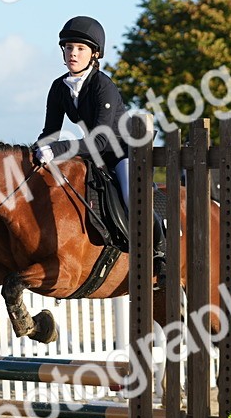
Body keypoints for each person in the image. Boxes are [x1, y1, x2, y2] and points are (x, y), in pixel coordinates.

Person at [33, 16, 165, 274]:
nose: (73, 53)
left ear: (94, 54)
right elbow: (50, 133)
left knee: (131, 197)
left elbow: (103, 139)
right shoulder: (59, 87)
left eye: (81, 48)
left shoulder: (102, 85)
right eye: (69, 47)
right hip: (93, 156)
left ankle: (160, 251)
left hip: (124, 152)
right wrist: (31, 155)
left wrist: (57, 150)